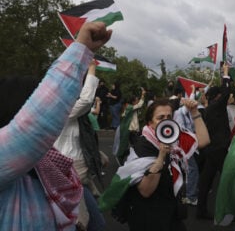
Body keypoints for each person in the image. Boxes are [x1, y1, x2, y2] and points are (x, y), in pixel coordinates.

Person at [0, 21, 112, 230]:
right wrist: (82, 51)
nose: (43, 105)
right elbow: (35, 126)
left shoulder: (50, 167)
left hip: (77, 167)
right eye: (34, 102)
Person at [99, 98, 210, 231]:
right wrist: (161, 157)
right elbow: (146, 191)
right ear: (150, 123)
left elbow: (204, 140)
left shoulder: (174, 137)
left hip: (169, 209)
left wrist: (194, 112)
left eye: (169, 117)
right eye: (160, 118)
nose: (165, 120)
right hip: (148, 215)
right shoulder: (142, 146)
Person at [53, 59, 105, 229]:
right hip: (68, 175)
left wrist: (97, 154)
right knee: (84, 223)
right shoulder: (58, 109)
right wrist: (91, 68)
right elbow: (86, 100)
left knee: (95, 222)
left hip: (80, 176)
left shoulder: (76, 115)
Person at [197, 63, 231, 219]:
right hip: (219, 149)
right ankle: (229, 211)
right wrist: (225, 73)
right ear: (217, 97)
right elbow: (226, 92)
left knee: (206, 180)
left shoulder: (207, 108)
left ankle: (201, 210)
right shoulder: (217, 106)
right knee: (229, 179)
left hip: (210, 149)